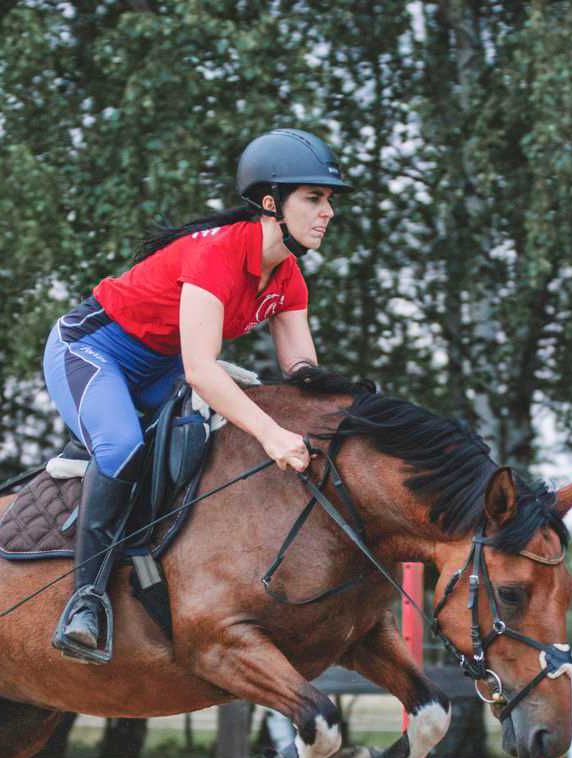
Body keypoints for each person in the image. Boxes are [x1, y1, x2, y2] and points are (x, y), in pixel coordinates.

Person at [42, 128, 350, 662]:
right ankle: (85, 601)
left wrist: (350, 409)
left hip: (161, 368)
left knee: (212, 445)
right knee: (120, 448)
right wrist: (274, 433)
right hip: (92, 352)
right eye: (314, 199)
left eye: (329, 202)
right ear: (272, 204)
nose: (327, 213)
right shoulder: (217, 257)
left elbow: (302, 373)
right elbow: (202, 371)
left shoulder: (289, 278)